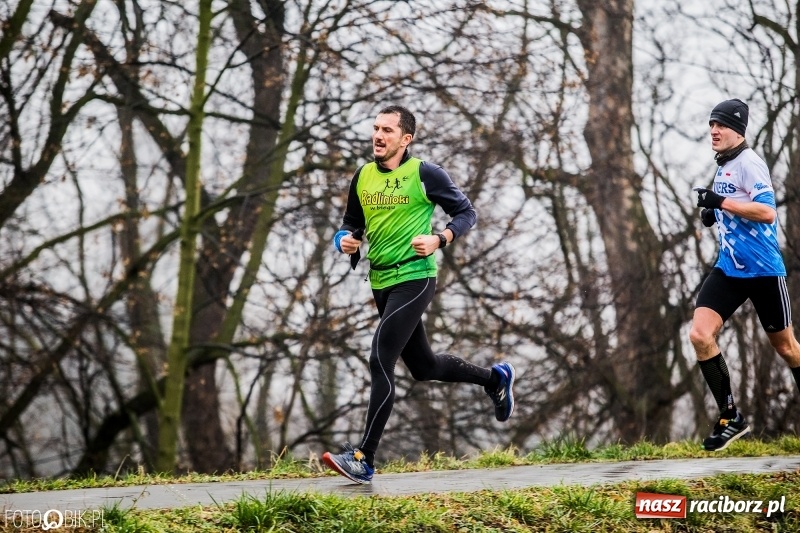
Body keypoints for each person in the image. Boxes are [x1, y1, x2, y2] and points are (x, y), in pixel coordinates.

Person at [322, 105, 516, 484]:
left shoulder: (425, 174)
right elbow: (350, 224)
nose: (378, 136)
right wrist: (343, 240)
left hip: (415, 278)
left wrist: (440, 238)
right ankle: (495, 380)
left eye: (388, 130)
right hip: (381, 281)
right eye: (376, 128)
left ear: (405, 139)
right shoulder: (363, 176)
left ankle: (364, 457)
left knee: (381, 358)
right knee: (424, 368)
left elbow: (467, 213)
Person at [690, 98, 800, 452]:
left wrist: (720, 203)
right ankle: (730, 417)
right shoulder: (724, 164)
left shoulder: (749, 163)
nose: (714, 131)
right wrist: (715, 214)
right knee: (700, 334)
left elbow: (767, 212)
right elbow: (733, 205)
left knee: (787, 348)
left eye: (721, 125)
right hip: (729, 269)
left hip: (763, 270)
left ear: (738, 131)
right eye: (711, 124)